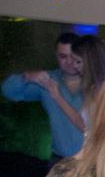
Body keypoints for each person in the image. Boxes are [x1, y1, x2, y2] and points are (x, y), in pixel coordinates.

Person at [2, 32, 85, 160]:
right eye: (63, 56)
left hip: (94, 159)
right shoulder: (47, 80)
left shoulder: (97, 82)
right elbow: (8, 91)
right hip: (60, 158)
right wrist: (27, 76)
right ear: (56, 56)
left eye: (74, 56)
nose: (69, 62)